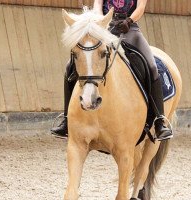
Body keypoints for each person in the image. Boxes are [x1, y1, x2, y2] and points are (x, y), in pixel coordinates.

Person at [51, 0, 173, 141]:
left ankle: (159, 121)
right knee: (70, 66)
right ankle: (66, 120)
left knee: (152, 67)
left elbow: (141, 7)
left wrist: (129, 20)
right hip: (103, 28)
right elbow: (97, 4)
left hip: (130, 30)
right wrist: (102, 21)